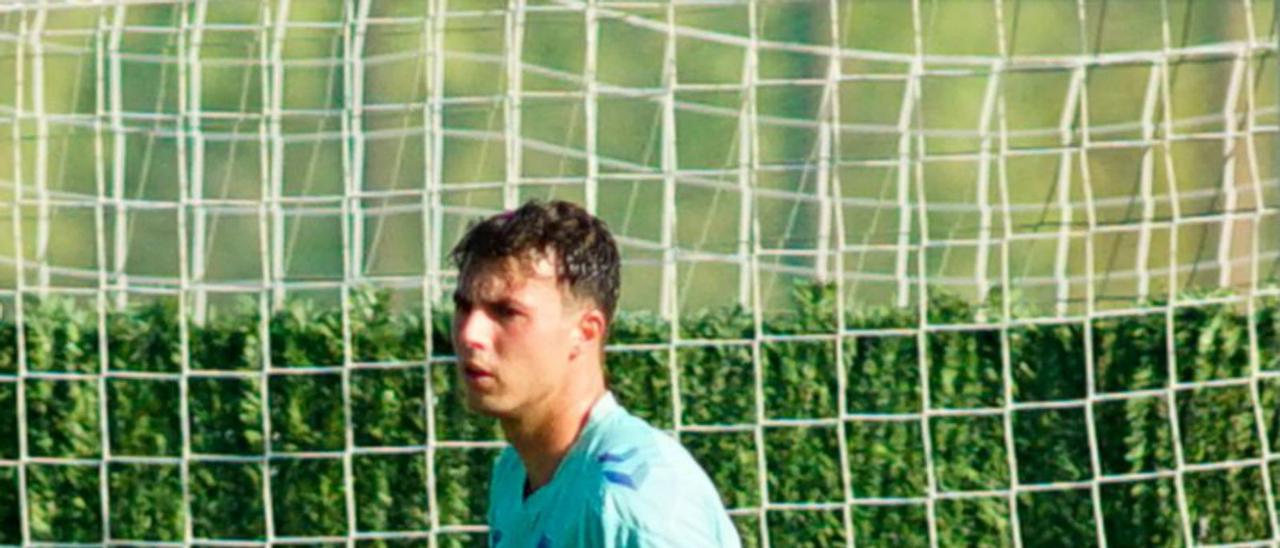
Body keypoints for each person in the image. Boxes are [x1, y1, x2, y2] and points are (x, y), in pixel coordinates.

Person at [450, 200, 742, 547]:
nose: (470, 333)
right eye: (463, 307)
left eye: (506, 312)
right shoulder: (515, 469)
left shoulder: (632, 504)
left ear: (586, 332)